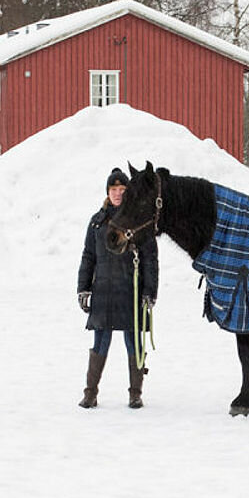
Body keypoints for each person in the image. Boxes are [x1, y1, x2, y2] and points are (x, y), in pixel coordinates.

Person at [77, 166, 157, 408]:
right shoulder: (97, 222)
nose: (118, 193)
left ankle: (135, 393)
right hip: (103, 291)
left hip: (130, 291)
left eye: (122, 189)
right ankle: (90, 393)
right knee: (100, 342)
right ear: (108, 192)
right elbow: (88, 256)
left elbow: (150, 259)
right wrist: (83, 288)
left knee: (134, 343)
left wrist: (149, 292)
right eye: (114, 189)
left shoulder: (138, 219)